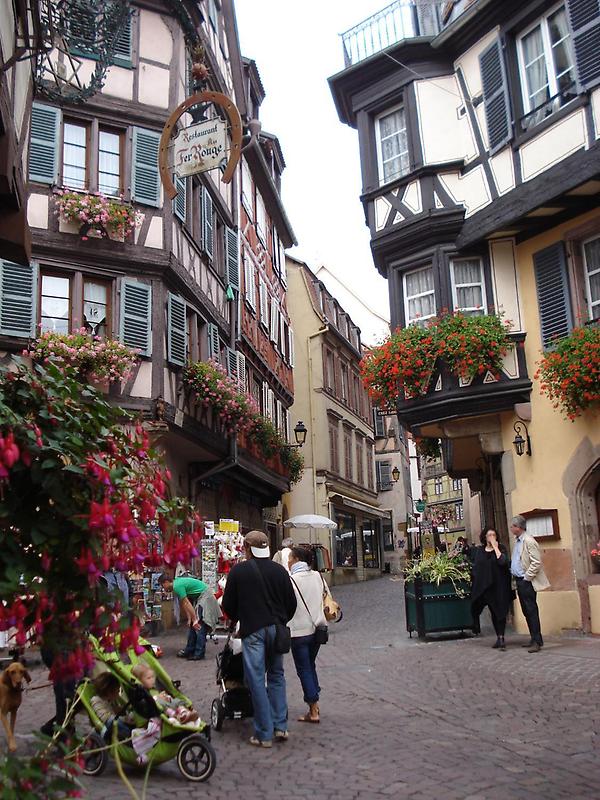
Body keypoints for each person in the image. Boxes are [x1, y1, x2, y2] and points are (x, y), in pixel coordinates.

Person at [221, 530, 297, 748]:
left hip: (253, 630)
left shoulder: (239, 571)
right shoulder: (280, 571)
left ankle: (264, 733)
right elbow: (291, 603)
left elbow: (228, 605)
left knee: (255, 679)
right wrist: (281, 621)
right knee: (276, 675)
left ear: (247, 548)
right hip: (277, 629)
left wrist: (239, 619)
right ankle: (280, 725)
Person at [288, 547, 327, 724]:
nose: (287, 562)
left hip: (298, 631)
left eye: (289, 558)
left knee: (304, 668)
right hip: (318, 629)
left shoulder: (291, 580)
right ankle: (315, 700)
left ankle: (313, 708)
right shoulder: (318, 576)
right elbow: (326, 598)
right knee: (310, 665)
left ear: (296, 559)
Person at [510, 514, 550, 653]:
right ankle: (533, 638)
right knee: (526, 611)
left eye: (513, 526)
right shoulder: (518, 541)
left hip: (526, 581)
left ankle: (537, 641)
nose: (511, 528)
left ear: (519, 527)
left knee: (531, 610)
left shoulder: (529, 541)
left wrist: (527, 577)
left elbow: (536, 562)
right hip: (520, 580)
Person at [470, 527, 512, 650]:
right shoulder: (480, 551)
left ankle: (501, 637)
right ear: (484, 537)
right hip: (486, 588)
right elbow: (478, 568)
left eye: (493, 535)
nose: (492, 537)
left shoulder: (501, 549)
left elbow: (503, 562)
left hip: (499, 586)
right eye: (489, 535)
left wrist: (496, 547)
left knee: (501, 611)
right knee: (493, 611)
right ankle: (498, 636)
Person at [158, 573, 210, 661]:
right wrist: (190, 619)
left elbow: (186, 603)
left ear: (166, 582)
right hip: (199, 596)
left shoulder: (177, 586)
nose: (163, 588)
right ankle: (190, 649)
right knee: (193, 625)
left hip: (205, 596)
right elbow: (184, 603)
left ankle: (199, 653)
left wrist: (194, 619)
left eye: (162, 585)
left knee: (199, 625)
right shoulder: (176, 585)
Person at [90, 672, 134, 742]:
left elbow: (113, 710)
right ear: (110, 692)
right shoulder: (96, 700)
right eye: (118, 691)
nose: (118, 693)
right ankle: (131, 736)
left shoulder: (107, 701)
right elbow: (105, 717)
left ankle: (134, 732)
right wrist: (124, 719)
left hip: (115, 722)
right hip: (108, 728)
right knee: (112, 722)